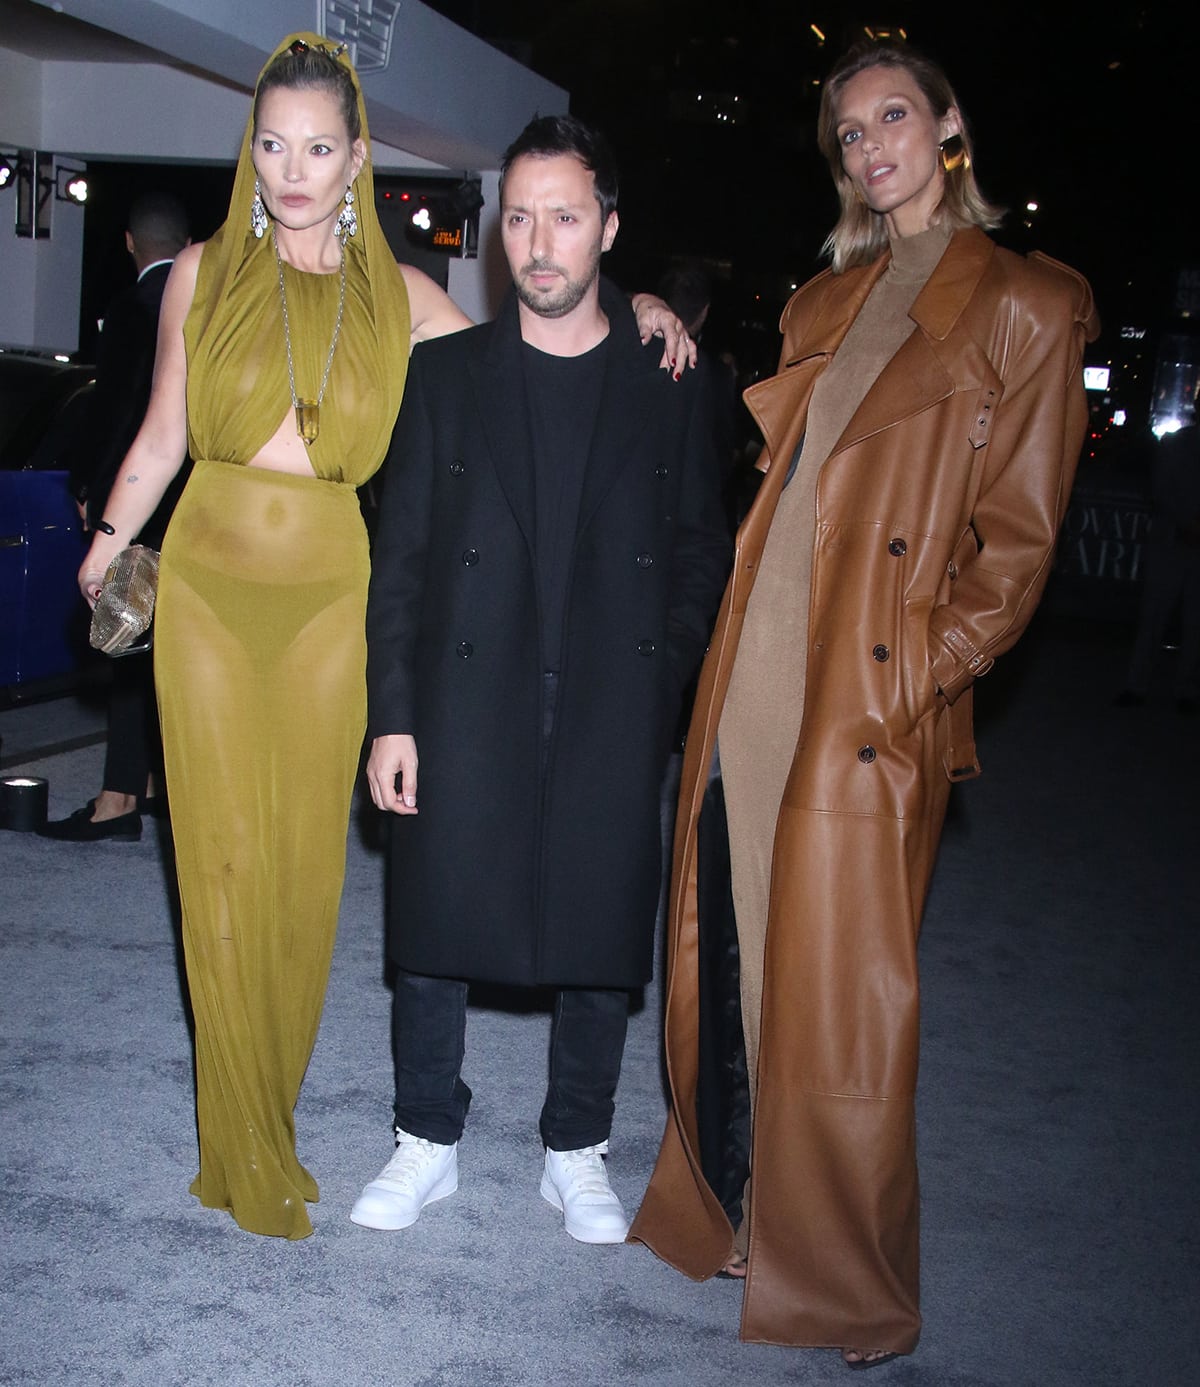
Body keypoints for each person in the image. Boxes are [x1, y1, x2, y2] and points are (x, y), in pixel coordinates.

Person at [76, 36, 694, 1241]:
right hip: (204, 577)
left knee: (306, 870)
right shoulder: (198, 273)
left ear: (358, 157)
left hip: (329, 595)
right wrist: (110, 537)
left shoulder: (409, 302)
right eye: (271, 144)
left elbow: (533, 345)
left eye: (318, 146)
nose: (293, 169)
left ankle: (282, 1108)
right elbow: (159, 433)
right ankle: (236, 1130)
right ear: (248, 154)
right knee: (218, 864)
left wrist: (644, 307)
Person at [629, 39, 1098, 1368]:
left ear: (947, 126)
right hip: (755, 659)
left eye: (894, 115)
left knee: (841, 990)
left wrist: (913, 672)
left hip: (860, 690)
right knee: (731, 941)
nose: (872, 144)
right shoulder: (827, 299)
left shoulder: (1027, 301)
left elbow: (1016, 550)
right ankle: (732, 1204)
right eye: (849, 132)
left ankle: (836, 1262)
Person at [350, 114, 729, 1245]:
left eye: (566, 215)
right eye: (519, 217)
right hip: (468, 688)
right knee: (433, 912)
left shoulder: (669, 381)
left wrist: (660, 660)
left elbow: (706, 541)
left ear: (609, 227)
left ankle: (576, 1145)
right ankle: (428, 1136)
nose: (540, 241)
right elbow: (402, 557)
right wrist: (392, 718)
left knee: (603, 919)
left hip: (613, 685)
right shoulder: (445, 373)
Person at [43, 192, 191, 844]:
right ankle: (155, 783)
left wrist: (94, 495)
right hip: (196, 506)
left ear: (131, 243)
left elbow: (121, 414)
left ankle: (118, 795)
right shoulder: (204, 303)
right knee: (174, 651)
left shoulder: (134, 310)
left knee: (126, 643)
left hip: (140, 504)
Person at [1115, 423, 1200, 713]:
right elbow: (1160, 489)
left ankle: (1186, 690)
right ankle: (1137, 684)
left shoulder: (1175, 444)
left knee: (1195, 624)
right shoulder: (1175, 443)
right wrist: (1185, 523)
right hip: (1170, 543)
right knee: (1153, 616)